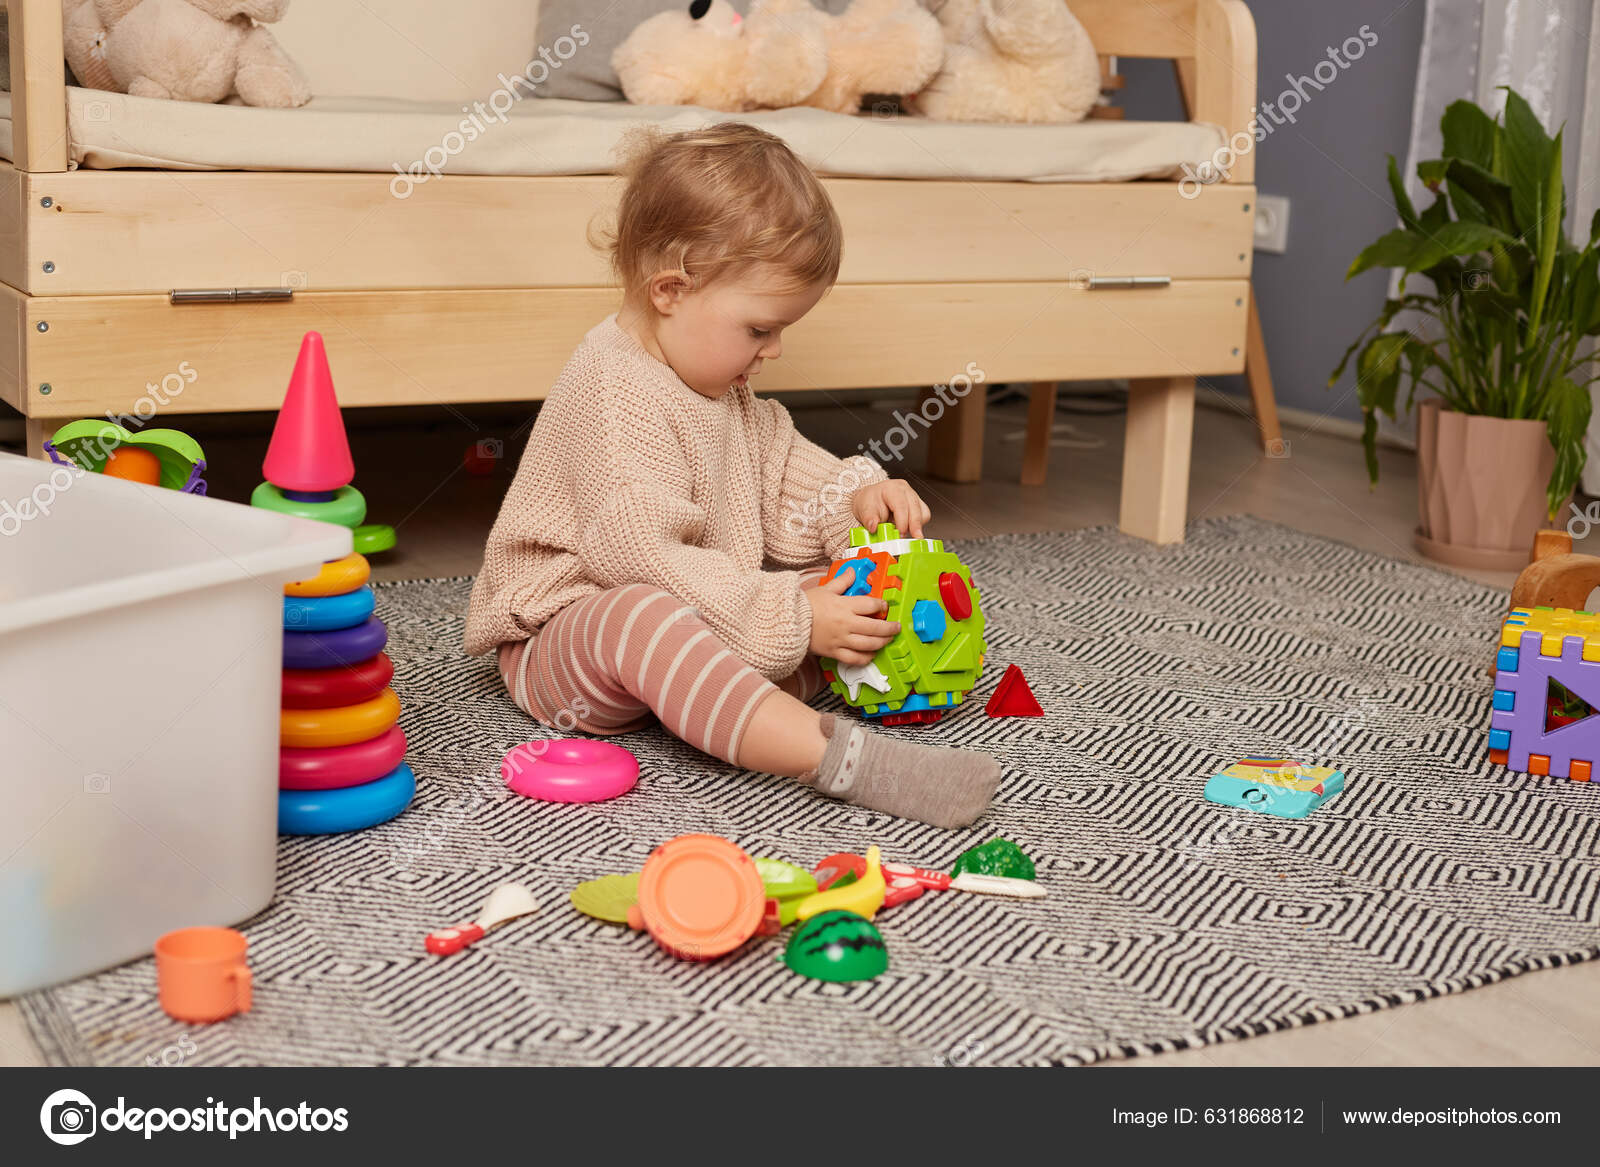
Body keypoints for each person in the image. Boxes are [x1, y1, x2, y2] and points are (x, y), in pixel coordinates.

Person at [465, 122, 999, 828]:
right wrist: (797, 619)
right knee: (650, 615)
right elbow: (641, 563)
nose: (773, 349)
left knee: (832, 591)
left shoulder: (721, 388)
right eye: (759, 329)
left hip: (691, 603)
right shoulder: (614, 390)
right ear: (670, 289)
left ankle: (750, 692)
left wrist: (857, 499)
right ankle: (838, 760)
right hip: (564, 638)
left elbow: (782, 472)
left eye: (782, 331)